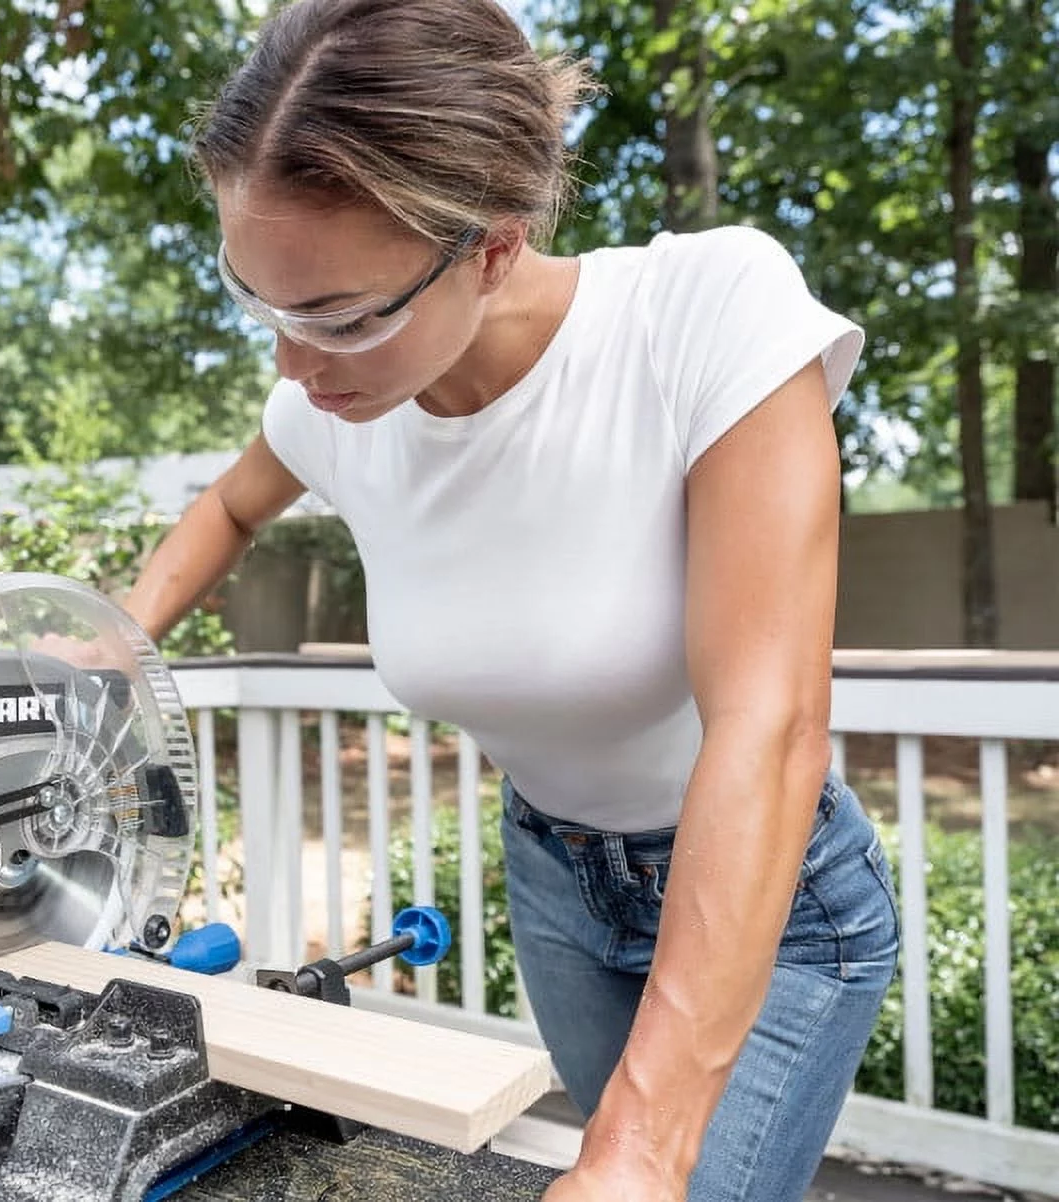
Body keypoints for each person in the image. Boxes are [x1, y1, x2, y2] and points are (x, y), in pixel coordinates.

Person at [116, 1, 900, 1198]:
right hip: (553, 875)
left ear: (492, 242)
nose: (289, 362)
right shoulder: (337, 408)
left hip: (776, 896)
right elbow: (225, 507)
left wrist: (641, 1145)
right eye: (259, 301)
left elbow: (769, 723)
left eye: (334, 315)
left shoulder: (703, 316)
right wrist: (111, 643)